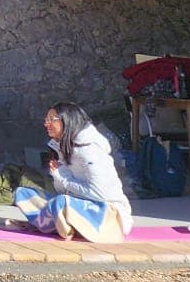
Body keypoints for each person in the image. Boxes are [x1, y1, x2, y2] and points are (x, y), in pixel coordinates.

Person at [14, 102, 133, 242]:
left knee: (60, 203)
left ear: (68, 120)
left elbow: (99, 193)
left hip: (109, 215)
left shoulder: (89, 150)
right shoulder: (63, 147)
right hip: (79, 206)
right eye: (46, 120)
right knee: (23, 194)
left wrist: (64, 178)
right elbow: (62, 190)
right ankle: (65, 224)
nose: (47, 124)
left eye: (52, 119)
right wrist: (58, 175)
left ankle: (63, 226)